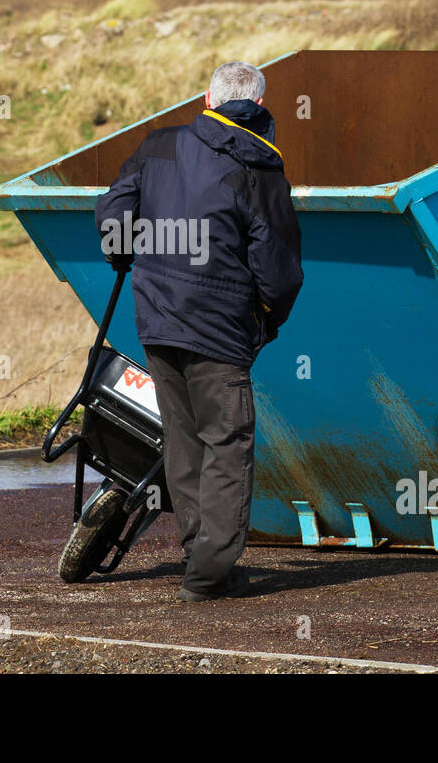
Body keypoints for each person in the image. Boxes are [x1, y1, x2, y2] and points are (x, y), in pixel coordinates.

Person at [94, 61, 303, 602]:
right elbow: (277, 268)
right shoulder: (261, 170)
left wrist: (121, 249)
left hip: (157, 318)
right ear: (258, 106)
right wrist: (269, 320)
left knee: (183, 442)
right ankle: (209, 573)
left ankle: (204, 559)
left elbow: (115, 211)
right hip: (220, 329)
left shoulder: (159, 146)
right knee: (228, 443)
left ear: (207, 97)